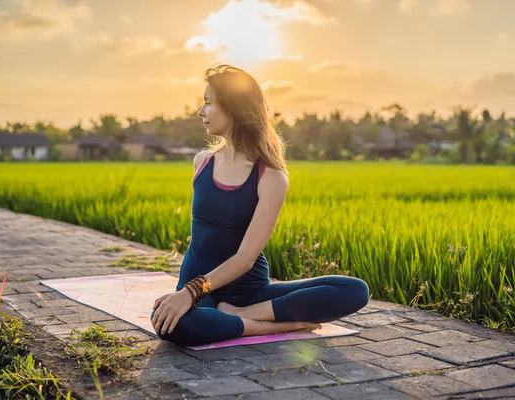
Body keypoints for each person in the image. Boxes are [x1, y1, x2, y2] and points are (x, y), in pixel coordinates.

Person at [150, 64, 369, 347]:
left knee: (353, 290)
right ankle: (265, 327)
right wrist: (192, 292)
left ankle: (243, 315)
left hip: (249, 292)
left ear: (235, 109)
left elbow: (245, 258)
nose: (200, 112)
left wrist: (192, 292)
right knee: (171, 324)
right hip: (204, 294)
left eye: (208, 103)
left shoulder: (270, 176)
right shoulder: (202, 162)